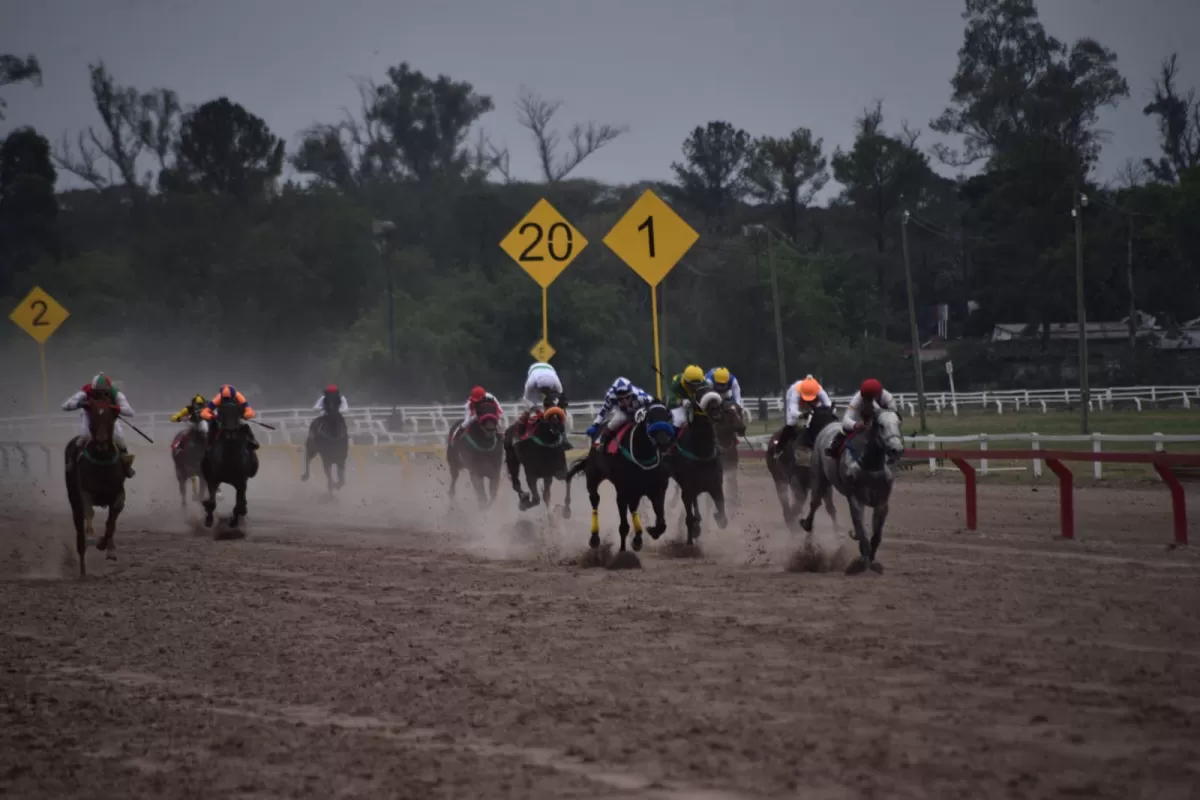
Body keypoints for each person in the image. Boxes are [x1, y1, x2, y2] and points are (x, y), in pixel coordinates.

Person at [62, 372, 136, 477]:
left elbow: (130, 412)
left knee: (119, 437)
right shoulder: (85, 392)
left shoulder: (116, 393)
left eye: (104, 393)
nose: (101, 395)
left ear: (108, 390)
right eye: (97, 393)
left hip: (107, 418)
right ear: (93, 390)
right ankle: (72, 461)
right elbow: (65, 406)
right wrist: (81, 404)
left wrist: (116, 408)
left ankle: (126, 466)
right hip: (89, 415)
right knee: (84, 435)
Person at [828, 378, 894, 457]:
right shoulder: (857, 398)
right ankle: (834, 446)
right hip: (861, 420)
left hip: (882, 422)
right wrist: (855, 425)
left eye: (870, 399)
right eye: (867, 399)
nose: (869, 402)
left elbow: (893, 418)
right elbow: (845, 420)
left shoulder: (888, 399)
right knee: (845, 429)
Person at [585, 377, 654, 447]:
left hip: (638, 408)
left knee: (642, 418)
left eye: (627, 397)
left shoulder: (642, 397)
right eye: (620, 399)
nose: (625, 401)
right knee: (620, 418)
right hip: (621, 410)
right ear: (616, 397)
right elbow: (604, 411)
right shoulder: (611, 397)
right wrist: (595, 425)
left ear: (632, 394)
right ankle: (602, 440)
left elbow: (654, 407)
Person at [200, 385, 259, 449]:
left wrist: (244, 415)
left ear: (234, 396)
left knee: (245, 426)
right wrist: (211, 417)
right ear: (222, 396)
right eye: (225, 399)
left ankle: (253, 441)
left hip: (236, 418)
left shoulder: (240, 397)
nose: (227, 401)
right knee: (213, 426)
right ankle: (209, 445)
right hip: (222, 419)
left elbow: (250, 412)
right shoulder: (218, 398)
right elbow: (204, 412)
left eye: (229, 399)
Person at [516, 362, 563, 430]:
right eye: (543, 389)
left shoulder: (556, 383)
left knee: (558, 408)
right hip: (535, 371)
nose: (544, 392)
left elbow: (561, 396)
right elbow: (526, 399)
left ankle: (562, 430)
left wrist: (556, 407)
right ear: (538, 387)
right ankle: (521, 427)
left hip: (550, 371)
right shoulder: (531, 383)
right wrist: (536, 409)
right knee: (528, 409)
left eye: (547, 389)